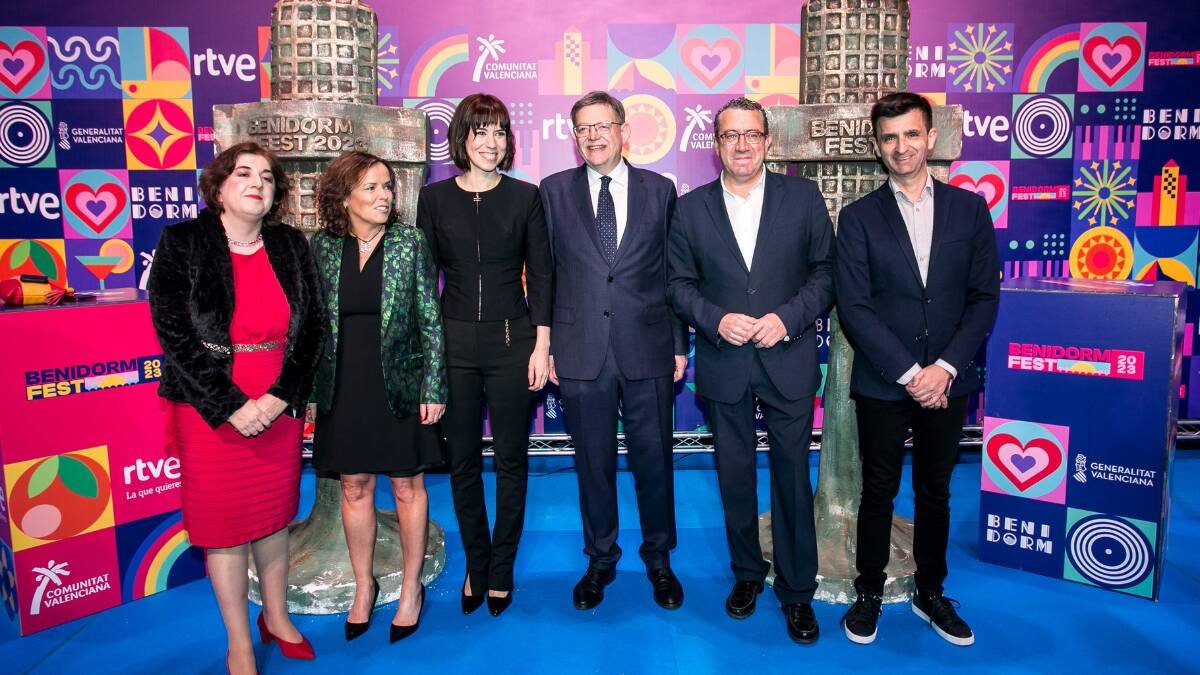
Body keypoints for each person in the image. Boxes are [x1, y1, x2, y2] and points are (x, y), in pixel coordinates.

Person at [148, 142, 325, 674]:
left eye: (268, 178)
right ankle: (239, 641)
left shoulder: (291, 244)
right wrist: (229, 405)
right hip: (209, 409)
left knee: (272, 518)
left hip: (277, 402)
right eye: (244, 173)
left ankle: (277, 615)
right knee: (223, 526)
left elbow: (314, 328)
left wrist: (278, 398)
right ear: (219, 186)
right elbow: (174, 333)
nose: (257, 184)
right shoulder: (184, 241)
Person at [834, 91, 1000, 647]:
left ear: (930, 137)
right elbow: (855, 307)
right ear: (877, 147)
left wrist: (945, 368)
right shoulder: (858, 218)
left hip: (949, 382)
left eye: (911, 134)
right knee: (877, 491)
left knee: (935, 491)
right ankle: (868, 593)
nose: (901, 147)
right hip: (885, 380)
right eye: (889, 138)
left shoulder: (970, 209)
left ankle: (932, 592)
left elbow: (983, 298)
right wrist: (911, 372)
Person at [667, 97, 833, 644]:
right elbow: (677, 285)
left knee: (791, 479)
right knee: (734, 477)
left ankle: (797, 591)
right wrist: (717, 320)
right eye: (730, 135)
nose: (741, 144)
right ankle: (746, 575)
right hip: (725, 361)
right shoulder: (690, 210)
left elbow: (825, 274)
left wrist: (785, 320)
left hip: (787, 359)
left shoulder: (803, 198)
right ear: (716, 145)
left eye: (752, 134)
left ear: (767, 141)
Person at [540, 90, 688, 611]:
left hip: (647, 346)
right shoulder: (552, 191)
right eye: (583, 128)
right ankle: (600, 559)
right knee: (592, 464)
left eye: (603, 125)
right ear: (574, 135)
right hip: (579, 349)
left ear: (625, 130)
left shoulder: (660, 190)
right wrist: (549, 344)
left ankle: (659, 559)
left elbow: (673, 275)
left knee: (655, 460)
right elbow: (546, 274)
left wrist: (677, 343)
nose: (593, 136)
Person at [417, 94, 552, 618]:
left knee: (513, 461)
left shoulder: (526, 197)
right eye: (480, 132)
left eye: (499, 132)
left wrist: (541, 345)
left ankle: (502, 567)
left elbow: (541, 276)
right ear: (462, 139)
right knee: (464, 462)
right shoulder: (434, 200)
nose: (491, 142)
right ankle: (477, 560)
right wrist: (430, 361)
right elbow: (424, 286)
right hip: (453, 344)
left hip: (512, 340)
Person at [311, 151, 447, 643]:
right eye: (371, 187)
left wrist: (434, 385)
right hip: (344, 385)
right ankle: (363, 586)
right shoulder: (322, 247)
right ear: (344, 196)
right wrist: (310, 392)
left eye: (388, 186)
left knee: (408, 488)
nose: (384, 196)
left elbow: (429, 319)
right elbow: (312, 325)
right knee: (353, 486)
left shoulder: (409, 243)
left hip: (402, 384)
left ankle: (411, 588)